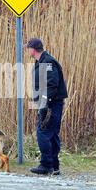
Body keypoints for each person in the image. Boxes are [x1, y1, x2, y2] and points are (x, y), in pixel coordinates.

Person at [25, 38, 68, 175]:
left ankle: (46, 165)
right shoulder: (41, 61)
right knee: (52, 134)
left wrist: (44, 104)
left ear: (33, 49)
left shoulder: (48, 62)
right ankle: (55, 166)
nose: (27, 50)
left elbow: (52, 84)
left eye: (28, 47)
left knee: (42, 132)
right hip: (48, 102)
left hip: (51, 104)